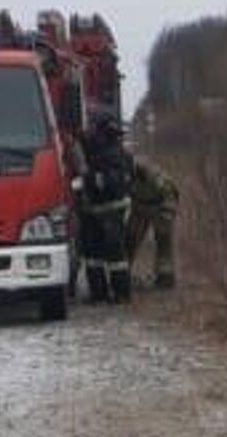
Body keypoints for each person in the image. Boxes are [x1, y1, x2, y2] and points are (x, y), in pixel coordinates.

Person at [77, 115, 135, 304]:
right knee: (96, 254)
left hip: (109, 209)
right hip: (98, 208)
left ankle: (119, 294)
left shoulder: (111, 154)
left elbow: (112, 183)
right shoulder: (112, 151)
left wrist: (91, 179)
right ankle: (104, 294)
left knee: (111, 253)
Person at [127, 153, 179, 290]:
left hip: (159, 207)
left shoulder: (156, 177)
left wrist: (167, 215)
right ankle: (123, 273)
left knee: (163, 242)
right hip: (139, 208)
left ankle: (165, 277)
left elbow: (170, 195)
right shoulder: (128, 176)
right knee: (130, 239)